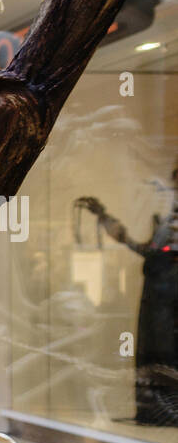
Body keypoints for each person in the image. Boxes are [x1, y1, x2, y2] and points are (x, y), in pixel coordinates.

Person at [76, 174, 178, 426]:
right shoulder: (165, 222)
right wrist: (103, 217)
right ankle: (152, 414)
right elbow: (144, 249)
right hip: (155, 297)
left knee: (167, 351)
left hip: (168, 298)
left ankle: (167, 414)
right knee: (150, 352)